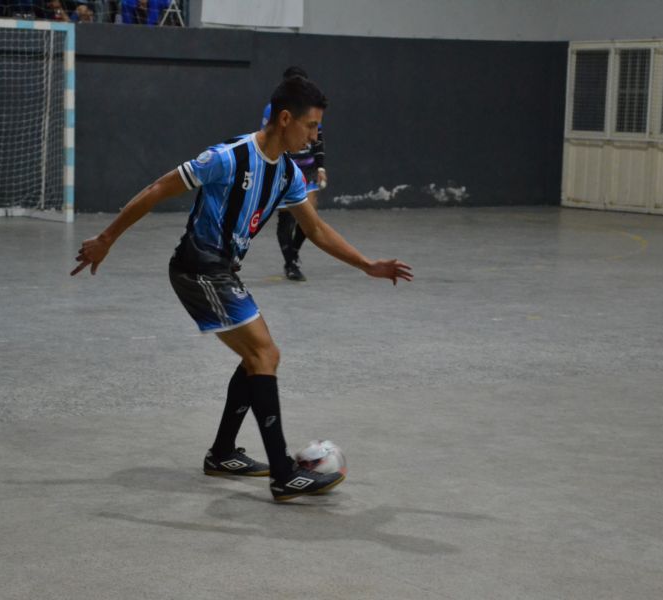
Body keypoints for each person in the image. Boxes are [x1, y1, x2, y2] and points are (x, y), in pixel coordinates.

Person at [71, 76, 412, 502]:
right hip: (198, 269)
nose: (315, 135)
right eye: (310, 126)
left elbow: (316, 229)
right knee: (264, 353)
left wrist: (367, 265)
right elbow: (159, 188)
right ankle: (284, 475)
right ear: (285, 119)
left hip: (223, 272)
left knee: (258, 357)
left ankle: (223, 453)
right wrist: (106, 239)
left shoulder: (287, 172)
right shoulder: (229, 157)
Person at [261, 66, 327, 282]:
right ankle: (290, 262)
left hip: (307, 171)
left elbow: (319, 140)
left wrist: (320, 167)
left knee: (310, 219)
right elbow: (268, 140)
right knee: (286, 219)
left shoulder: (312, 111)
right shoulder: (272, 111)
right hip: (286, 169)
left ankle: (293, 256)